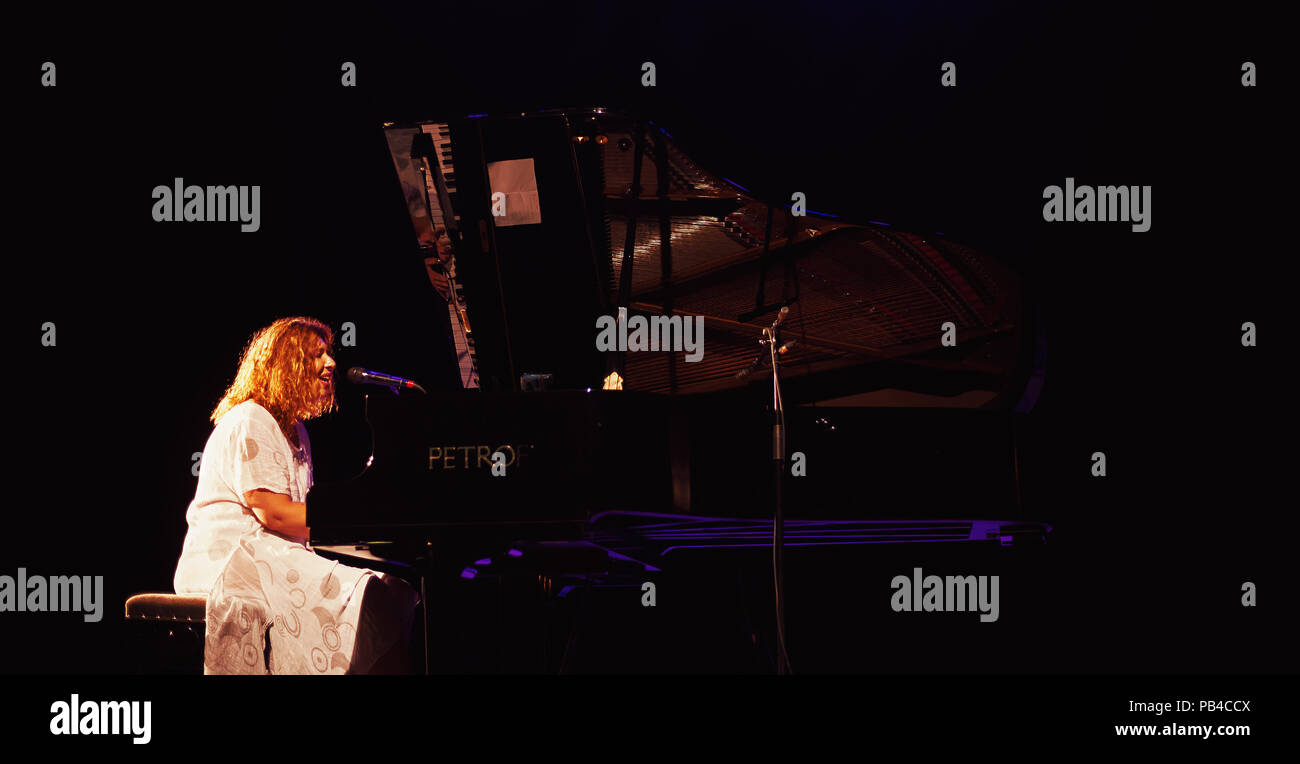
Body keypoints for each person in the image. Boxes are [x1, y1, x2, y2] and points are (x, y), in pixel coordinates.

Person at [173, 316, 419, 674]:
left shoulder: (296, 431)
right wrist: (350, 523)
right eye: (317, 354)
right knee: (369, 593)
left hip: (275, 559)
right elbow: (274, 514)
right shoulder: (250, 419)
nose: (331, 362)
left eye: (329, 353)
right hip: (234, 565)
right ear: (286, 364)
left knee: (394, 590)